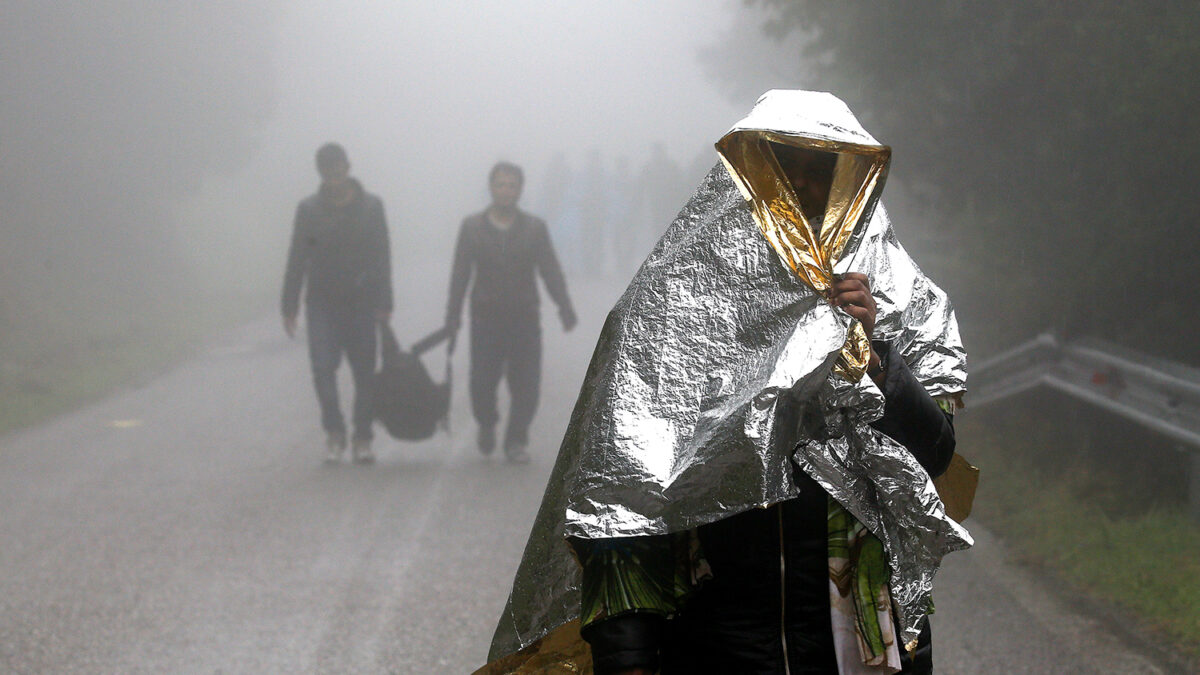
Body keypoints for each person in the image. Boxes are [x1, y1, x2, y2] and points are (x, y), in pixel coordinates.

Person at [474, 91, 971, 675]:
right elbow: (622, 507)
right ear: (756, 175)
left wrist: (876, 358)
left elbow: (933, 456)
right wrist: (630, 660)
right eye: (791, 170)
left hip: (856, 641)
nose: (808, 190)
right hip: (716, 643)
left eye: (824, 172)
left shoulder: (893, 292)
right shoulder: (669, 309)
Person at [445, 161, 577, 464]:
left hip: (524, 318)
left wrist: (564, 306)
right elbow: (460, 275)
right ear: (491, 188)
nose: (506, 191)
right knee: (482, 383)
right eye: (501, 184)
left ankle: (516, 439)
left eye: (512, 185)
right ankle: (487, 423)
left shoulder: (534, 228)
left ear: (520, 190)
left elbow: (550, 270)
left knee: (527, 386)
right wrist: (452, 316)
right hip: (485, 319)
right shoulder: (472, 227)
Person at [281, 142, 393, 464]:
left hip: (361, 301)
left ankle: (362, 437)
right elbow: (297, 258)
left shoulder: (372, 207)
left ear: (347, 166)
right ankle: (334, 431)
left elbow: (382, 255)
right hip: (322, 302)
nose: (333, 174)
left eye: (337, 167)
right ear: (320, 172)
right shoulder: (309, 210)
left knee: (364, 372)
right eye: (326, 169)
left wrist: (385, 301)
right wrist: (289, 306)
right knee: (322, 368)